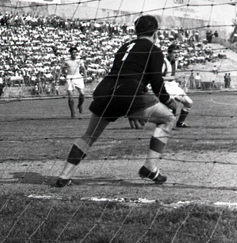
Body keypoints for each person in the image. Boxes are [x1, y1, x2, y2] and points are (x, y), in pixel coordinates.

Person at [54, 15, 178, 188]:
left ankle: (64, 175)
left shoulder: (124, 47)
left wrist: (130, 110)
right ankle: (150, 167)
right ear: (155, 32)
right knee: (168, 119)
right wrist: (169, 102)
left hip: (105, 91)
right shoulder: (154, 50)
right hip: (128, 94)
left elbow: (126, 74)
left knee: (89, 136)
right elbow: (157, 84)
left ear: (137, 31)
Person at [163, 42, 193, 128]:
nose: (177, 54)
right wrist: (174, 77)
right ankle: (167, 125)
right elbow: (157, 77)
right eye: (174, 53)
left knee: (189, 103)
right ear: (169, 53)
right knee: (172, 106)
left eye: (178, 52)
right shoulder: (163, 62)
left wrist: (179, 79)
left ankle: (180, 123)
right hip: (164, 86)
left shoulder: (176, 61)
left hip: (173, 85)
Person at [62, 46, 87, 118]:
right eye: (73, 52)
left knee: (82, 94)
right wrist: (65, 74)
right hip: (69, 77)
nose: (74, 54)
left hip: (78, 77)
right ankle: (72, 112)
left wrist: (85, 76)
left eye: (75, 52)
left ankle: (80, 105)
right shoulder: (66, 60)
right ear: (70, 53)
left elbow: (83, 68)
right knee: (70, 96)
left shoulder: (79, 59)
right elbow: (62, 68)